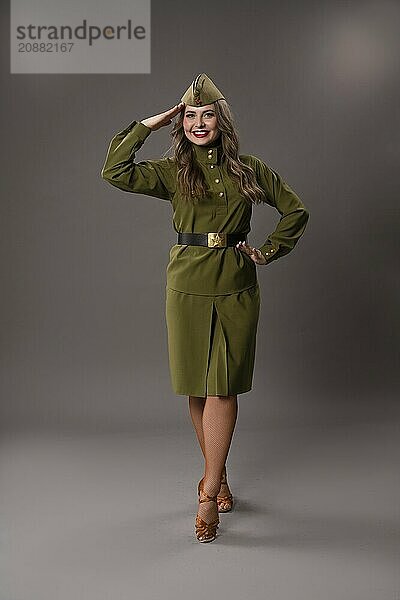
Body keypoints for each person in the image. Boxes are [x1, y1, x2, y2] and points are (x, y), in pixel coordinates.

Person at [101, 73, 310, 543]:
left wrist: (268, 251)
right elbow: (113, 170)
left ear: (222, 119)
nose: (199, 123)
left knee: (224, 386)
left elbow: (296, 211)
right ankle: (220, 475)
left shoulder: (250, 169)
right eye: (190, 116)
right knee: (197, 386)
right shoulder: (172, 171)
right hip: (186, 285)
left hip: (236, 283)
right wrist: (151, 124)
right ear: (182, 122)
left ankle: (208, 488)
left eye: (207, 114)